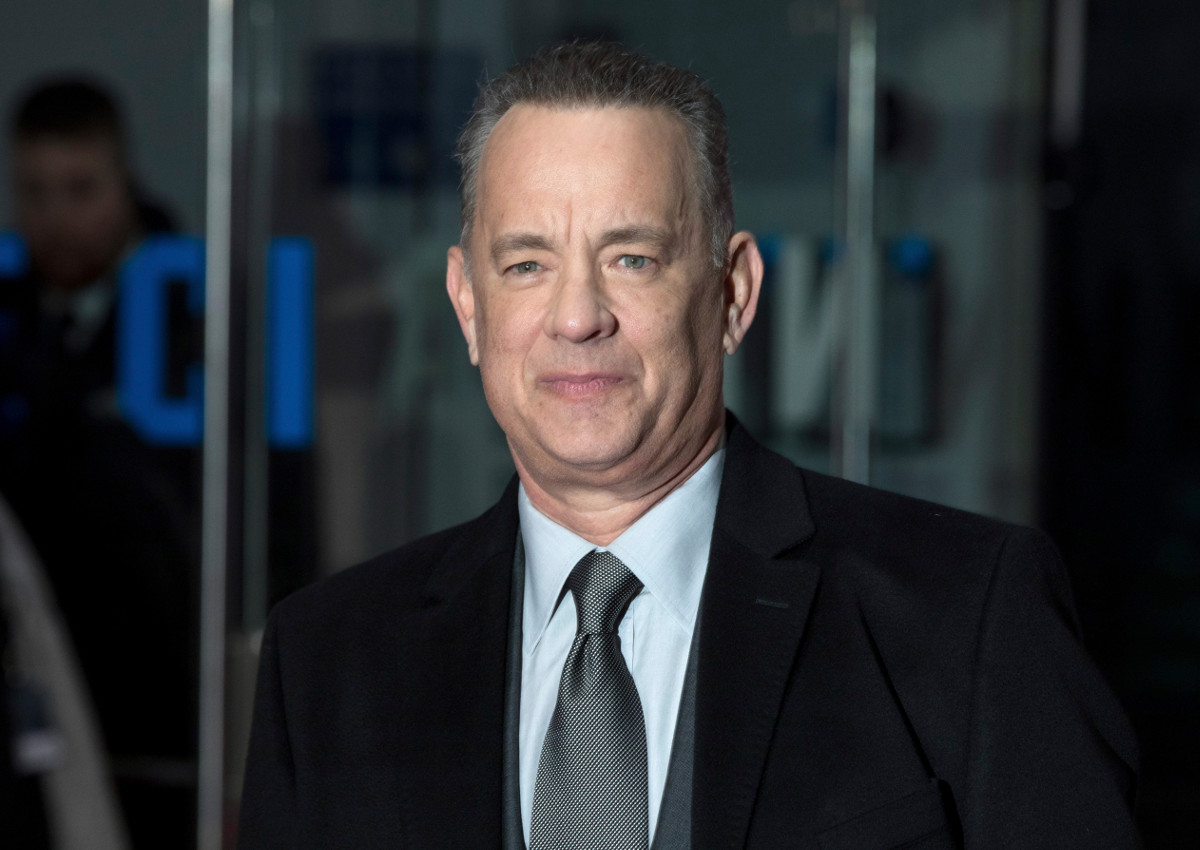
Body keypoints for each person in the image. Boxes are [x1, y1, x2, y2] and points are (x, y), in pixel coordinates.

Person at [238, 42, 1140, 849]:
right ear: (468, 305)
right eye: (526, 264)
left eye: (632, 257)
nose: (578, 316)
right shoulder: (330, 661)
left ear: (734, 294)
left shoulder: (966, 615)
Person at [0, 78, 198, 848]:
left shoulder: (196, 321)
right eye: (35, 192)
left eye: (81, 189)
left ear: (126, 180)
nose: (58, 219)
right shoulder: (17, 322)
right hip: (41, 693)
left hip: (162, 708)